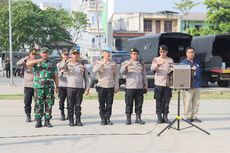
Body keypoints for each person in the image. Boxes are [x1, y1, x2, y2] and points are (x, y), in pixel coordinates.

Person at [26, 47, 59, 128]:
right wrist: (37, 60)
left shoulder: (52, 62)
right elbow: (27, 64)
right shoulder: (36, 62)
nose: (45, 54)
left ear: (48, 53)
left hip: (49, 87)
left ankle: (47, 121)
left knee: (49, 104)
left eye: (46, 52)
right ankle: (38, 121)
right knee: (38, 104)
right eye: (43, 53)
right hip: (38, 87)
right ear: (40, 54)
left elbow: (55, 76)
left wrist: (57, 86)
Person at [120, 48, 148, 125]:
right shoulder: (126, 62)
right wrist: (126, 66)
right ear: (130, 55)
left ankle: (138, 118)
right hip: (130, 87)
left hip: (139, 87)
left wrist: (145, 85)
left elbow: (144, 75)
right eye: (133, 54)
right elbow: (121, 72)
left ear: (138, 55)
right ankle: (128, 119)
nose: (135, 55)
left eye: (136, 54)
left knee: (139, 104)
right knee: (129, 103)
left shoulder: (141, 64)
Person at [93, 48, 119, 125]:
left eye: (108, 53)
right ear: (102, 54)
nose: (107, 54)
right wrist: (102, 64)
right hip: (101, 86)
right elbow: (94, 70)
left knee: (109, 104)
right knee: (101, 104)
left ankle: (108, 118)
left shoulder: (113, 63)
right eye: (106, 53)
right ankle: (103, 119)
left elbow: (116, 75)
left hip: (110, 86)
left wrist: (116, 85)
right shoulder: (98, 62)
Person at [65, 48, 90, 126]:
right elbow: (60, 68)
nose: (75, 56)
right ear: (71, 55)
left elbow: (86, 78)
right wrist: (66, 61)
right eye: (74, 54)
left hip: (79, 88)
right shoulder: (67, 64)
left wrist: (87, 88)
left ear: (79, 55)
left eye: (77, 54)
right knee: (70, 105)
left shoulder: (82, 65)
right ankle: (71, 120)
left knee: (78, 105)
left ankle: (78, 120)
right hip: (70, 87)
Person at [151, 45, 174, 124]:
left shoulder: (170, 60)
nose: (162, 53)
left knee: (167, 101)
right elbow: (152, 69)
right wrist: (157, 65)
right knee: (159, 101)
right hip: (159, 83)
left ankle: (165, 116)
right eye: (161, 51)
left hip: (167, 84)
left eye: (164, 52)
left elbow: (172, 70)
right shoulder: (156, 59)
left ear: (166, 52)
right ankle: (159, 117)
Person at [180, 46, 202, 123]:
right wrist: (191, 70)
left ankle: (194, 116)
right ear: (186, 53)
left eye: (192, 52)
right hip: (188, 86)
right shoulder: (183, 63)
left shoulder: (197, 62)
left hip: (197, 85)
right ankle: (188, 117)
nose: (191, 54)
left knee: (196, 102)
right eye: (189, 52)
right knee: (187, 102)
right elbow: (182, 75)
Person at [16, 49, 37, 122]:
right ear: (29, 55)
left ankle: (37, 115)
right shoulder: (25, 62)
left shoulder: (37, 62)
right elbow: (18, 63)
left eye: (34, 54)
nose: (33, 55)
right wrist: (25, 58)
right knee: (27, 102)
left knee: (37, 102)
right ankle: (28, 115)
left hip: (37, 85)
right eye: (32, 54)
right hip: (28, 85)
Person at [56, 49, 69, 121]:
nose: (66, 56)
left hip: (69, 85)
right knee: (61, 101)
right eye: (64, 55)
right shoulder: (59, 64)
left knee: (69, 101)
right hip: (62, 84)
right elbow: (56, 74)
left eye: (67, 54)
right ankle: (62, 113)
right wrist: (61, 72)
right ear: (62, 55)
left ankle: (69, 114)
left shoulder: (70, 63)